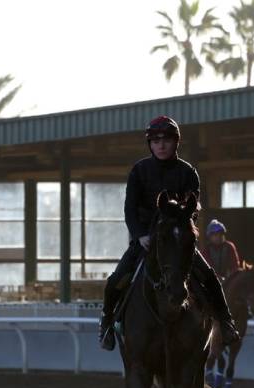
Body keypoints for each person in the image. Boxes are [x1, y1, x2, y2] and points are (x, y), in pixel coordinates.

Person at [98, 115, 240, 351]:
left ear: (176, 142)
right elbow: (129, 208)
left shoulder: (188, 172)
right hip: (145, 241)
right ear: (150, 144)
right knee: (116, 279)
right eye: (155, 141)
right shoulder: (139, 171)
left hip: (178, 243)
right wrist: (139, 234)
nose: (161, 145)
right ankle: (106, 324)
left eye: (166, 140)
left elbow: (194, 210)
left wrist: (181, 235)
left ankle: (226, 323)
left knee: (210, 278)